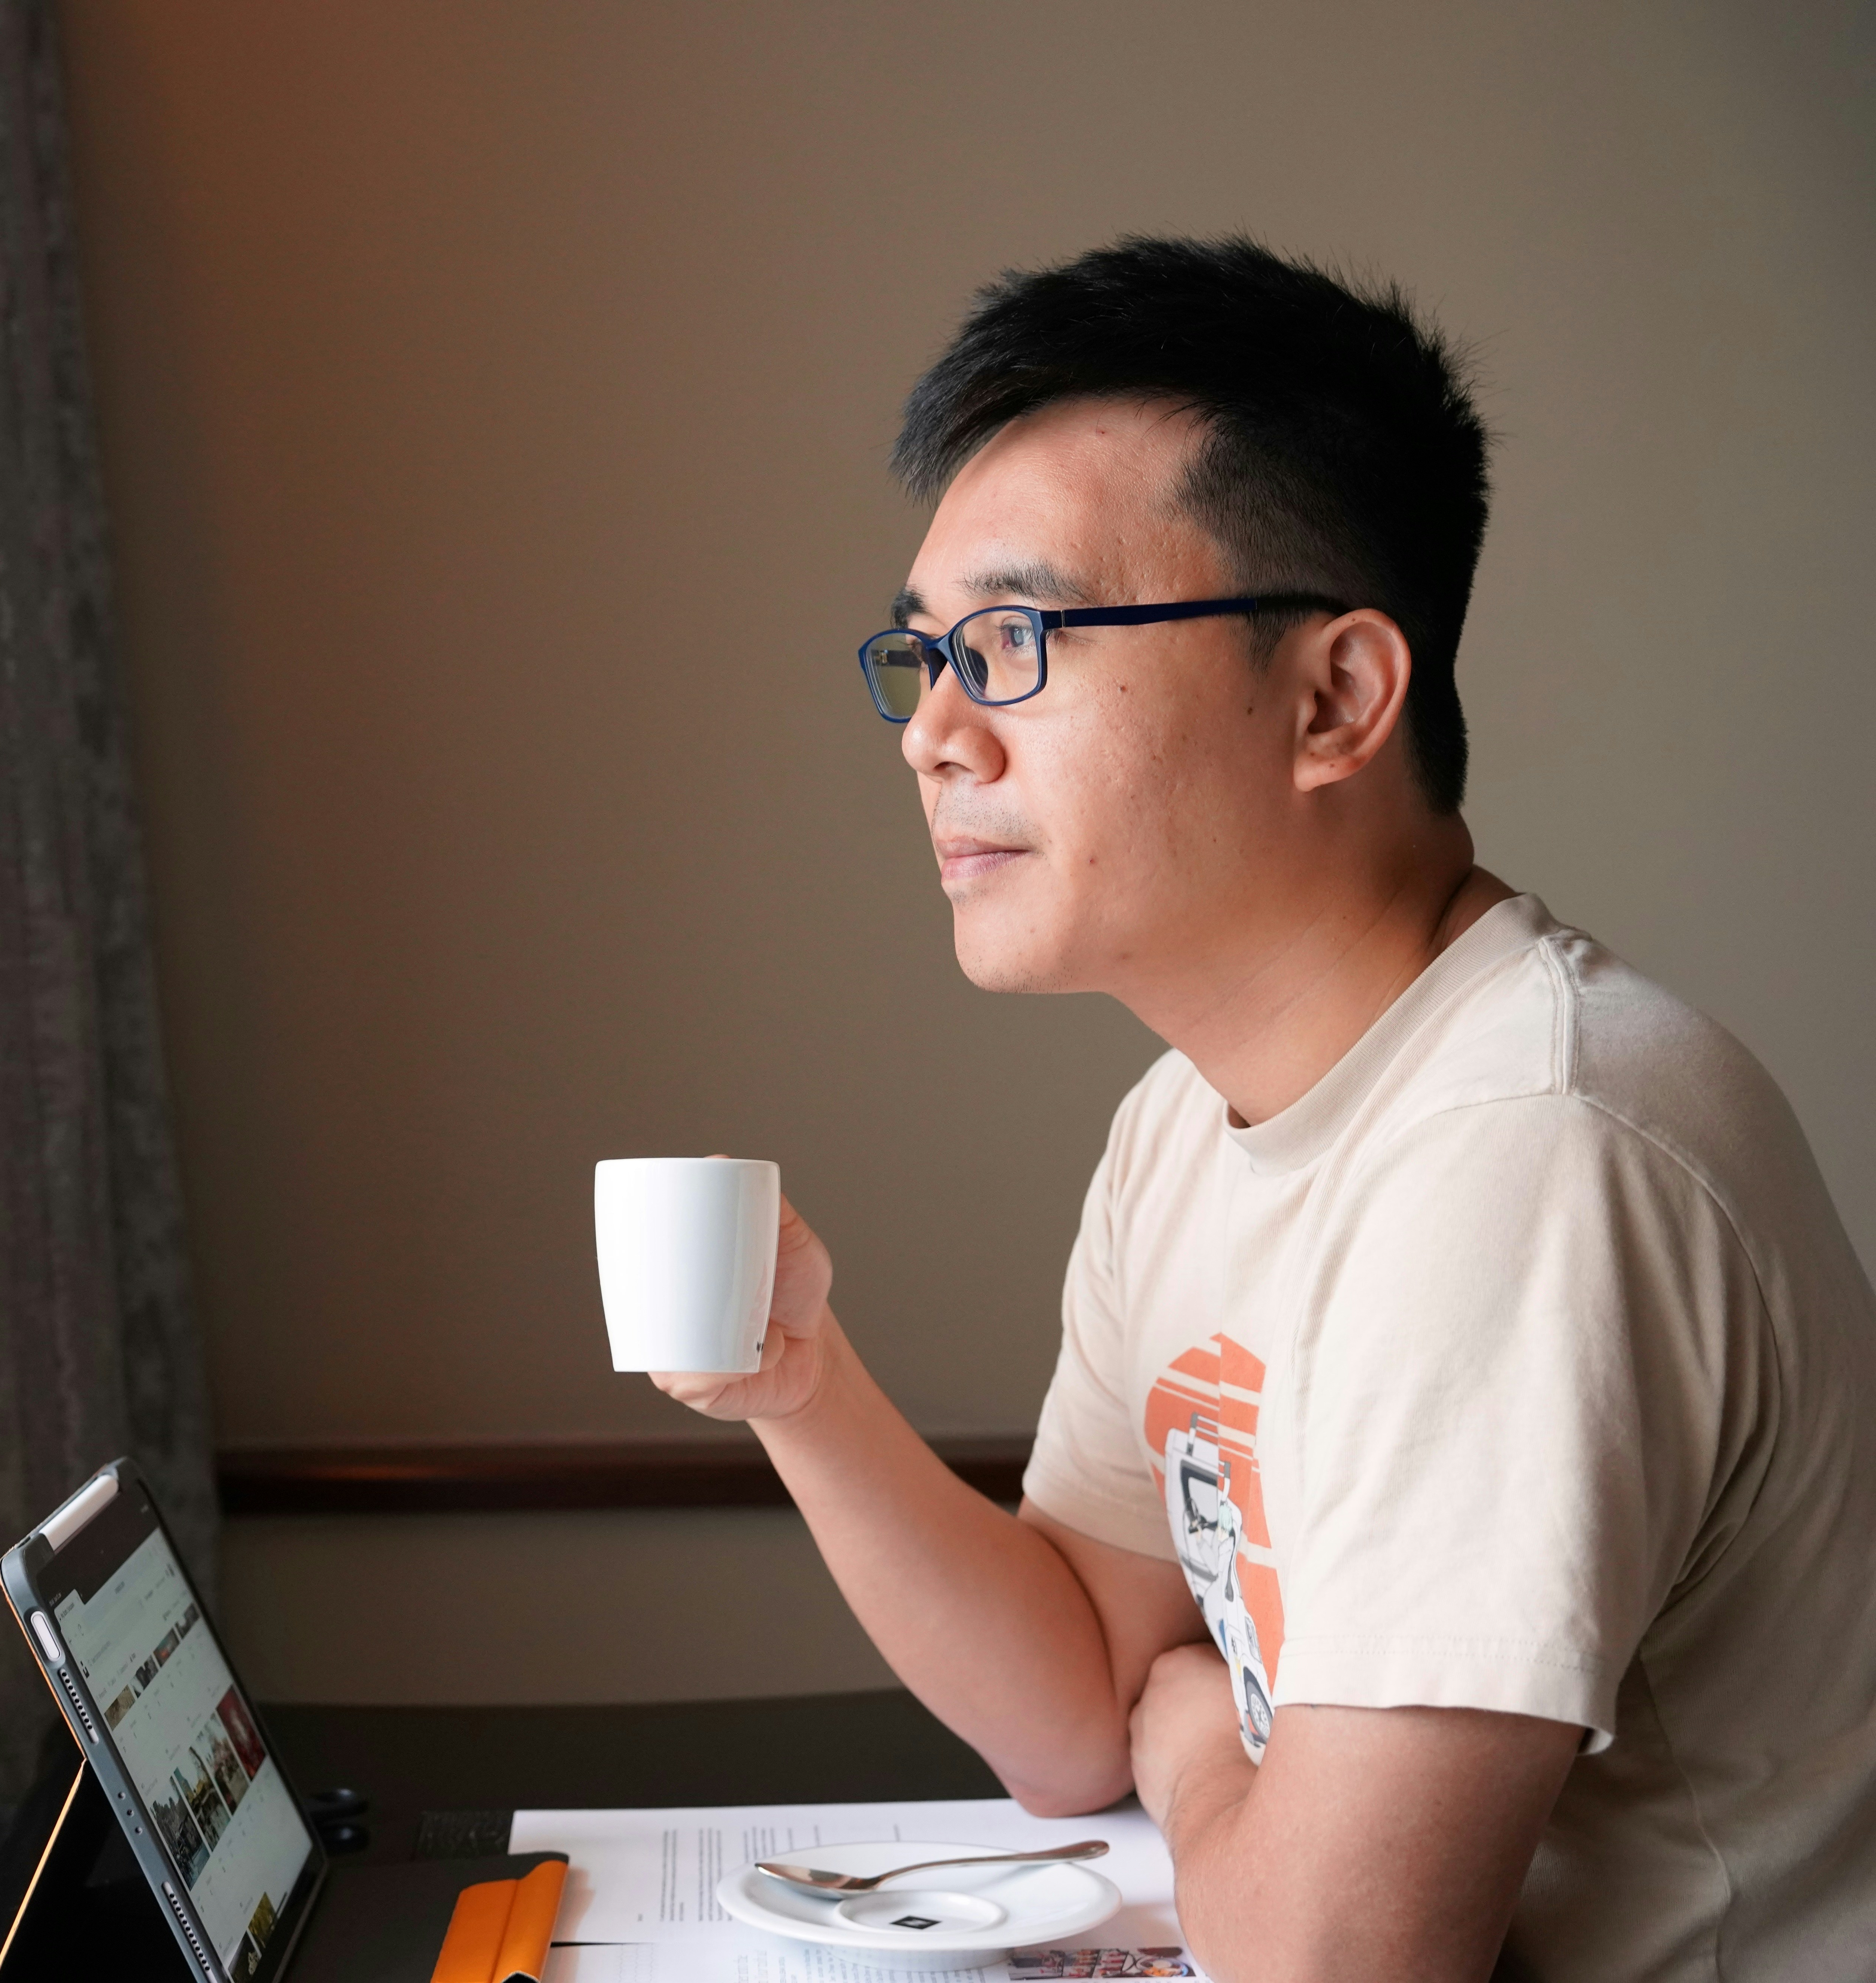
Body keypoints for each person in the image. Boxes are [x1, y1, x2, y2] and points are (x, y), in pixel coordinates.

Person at [655, 237, 1876, 1980]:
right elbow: (1078, 1697)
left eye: (1010, 644)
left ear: (1333, 698)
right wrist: (799, 1386)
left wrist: (1191, 1739)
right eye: (920, 656)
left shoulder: (1527, 1150)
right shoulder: (1182, 1126)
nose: (929, 734)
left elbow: (1329, 1962)